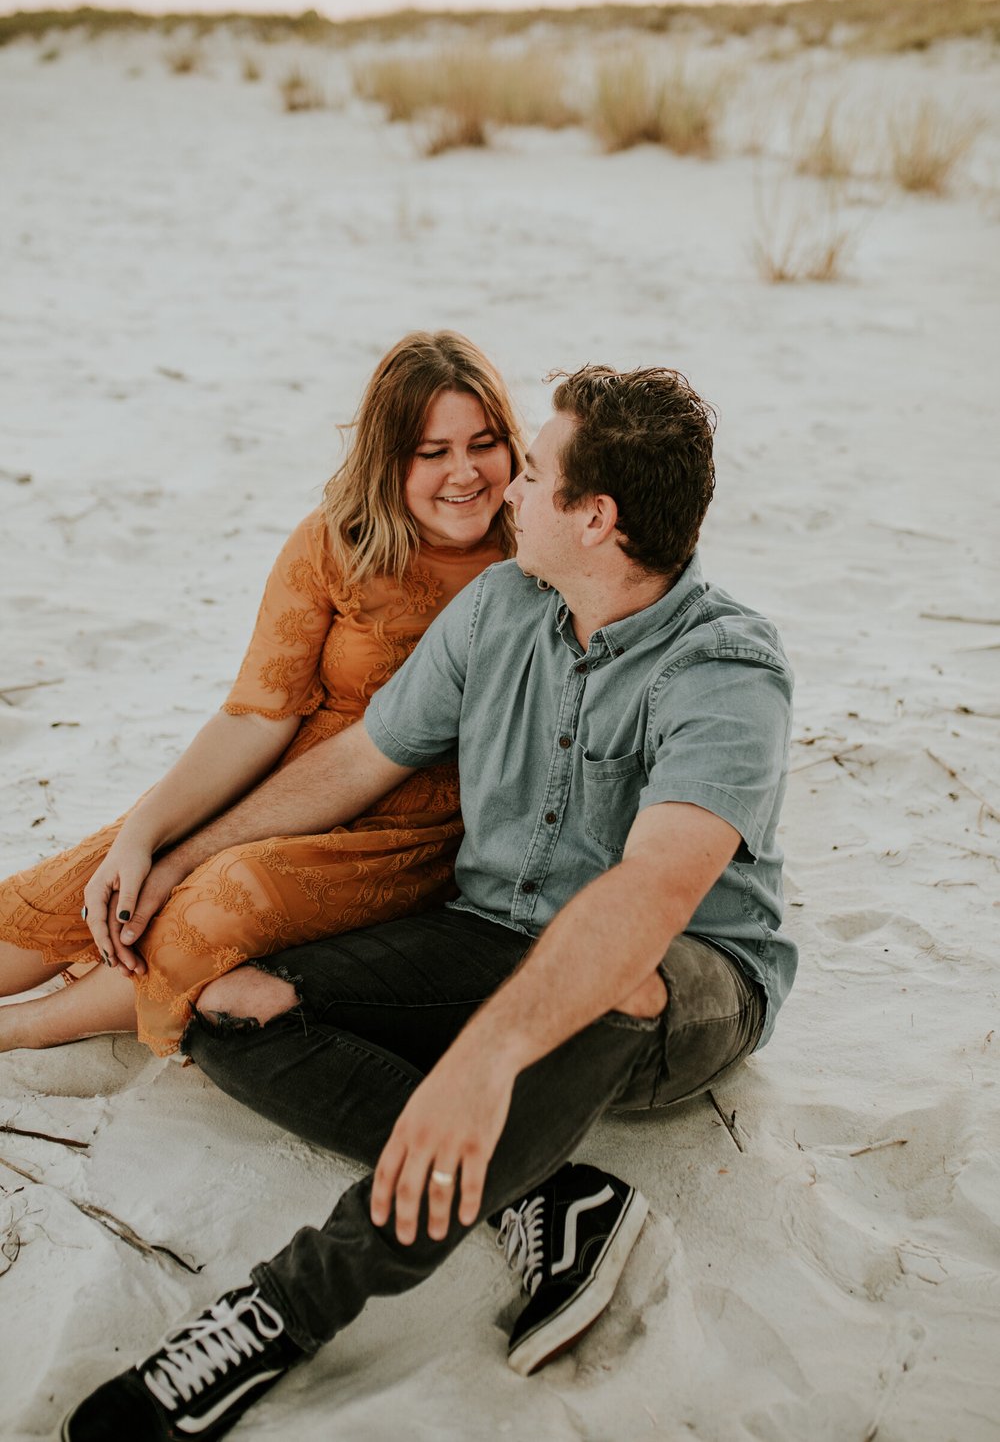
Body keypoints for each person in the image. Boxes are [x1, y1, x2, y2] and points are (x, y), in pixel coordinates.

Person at [64, 363, 796, 1441]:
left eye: (532, 475)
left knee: (617, 977)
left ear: (594, 518)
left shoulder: (725, 667)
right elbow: (357, 760)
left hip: (680, 988)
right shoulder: (501, 605)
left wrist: (484, 1060)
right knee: (217, 1003)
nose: (507, 490)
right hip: (486, 939)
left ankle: (280, 1312)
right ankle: (547, 1196)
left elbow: (646, 896)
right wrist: (183, 855)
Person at [0, 330, 523, 1057]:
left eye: (484, 443)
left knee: (213, 900)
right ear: (387, 458)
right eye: (431, 452)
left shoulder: (536, 553)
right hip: (284, 779)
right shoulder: (334, 541)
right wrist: (142, 831)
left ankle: (23, 1028)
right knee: (99, 876)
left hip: (413, 824)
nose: (463, 473)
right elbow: (257, 713)